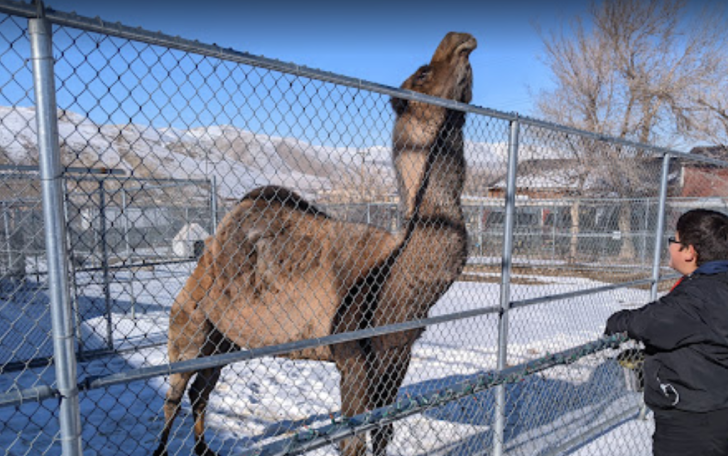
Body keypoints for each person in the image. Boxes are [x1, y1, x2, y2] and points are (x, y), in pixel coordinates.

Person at [605, 208, 728, 456]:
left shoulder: (699, 296)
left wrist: (619, 321)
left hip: (695, 420)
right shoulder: (716, 283)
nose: (669, 247)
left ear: (690, 251)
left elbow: (650, 322)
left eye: (674, 241)